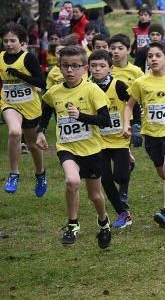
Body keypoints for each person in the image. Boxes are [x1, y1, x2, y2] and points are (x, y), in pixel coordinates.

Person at [38, 45, 112, 248]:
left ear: (84, 68)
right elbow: (46, 108)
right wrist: (41, 131)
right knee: (72, 181)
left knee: (94, 195)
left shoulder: (92, 90)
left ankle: (103, 221)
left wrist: (82, 117)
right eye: (65, 66)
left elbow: (105, 120)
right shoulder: (54, 92)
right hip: (67, 147)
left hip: (92, 150)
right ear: (59, 68)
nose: (70, 70)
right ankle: (72, 224)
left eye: (75, 66)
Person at [123, 41, 165, 227]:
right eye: (150, 56)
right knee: (164, 173)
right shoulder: (141, 82)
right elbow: (129, 105)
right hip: (151, 136)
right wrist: (126, 124)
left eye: (157, 55)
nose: (153, 59)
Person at [88, 50, 134, 229]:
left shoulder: (119, 85)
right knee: (105, 179)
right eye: (93, 66)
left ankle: (127, 163)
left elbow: (133, 105)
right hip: (98, 140)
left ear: (110, 68)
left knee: (121, 176)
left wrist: (133, 126)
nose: (97, 70)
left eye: (102, 66)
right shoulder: (87, 87)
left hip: (119, 138)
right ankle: (122, 212)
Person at [1, 23, 47, 195]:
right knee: (14, 132)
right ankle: (14, 174)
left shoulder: (28, 58)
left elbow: (42, 83)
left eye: (13, 40)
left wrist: (19, 75)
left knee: (33, 145)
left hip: (30, 106)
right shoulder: (0, 58)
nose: (9, 44)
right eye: (5, 41)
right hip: (9, 103)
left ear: (21, 42)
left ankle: (40, 173)